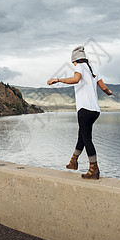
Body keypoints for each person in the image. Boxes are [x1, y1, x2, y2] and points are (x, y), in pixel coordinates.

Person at [47, 46, 112, 179]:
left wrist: (58, 80)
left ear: (75, 60)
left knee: (87, 138)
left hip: (85, 109)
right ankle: (73, 161)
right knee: (82, 135)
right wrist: (109, 93)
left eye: (73, 63)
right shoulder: (93, 69)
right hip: (95, 111)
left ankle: (94, 169)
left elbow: (76, 79)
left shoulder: (80, 67)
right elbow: (104, 87)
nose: (74, 65)